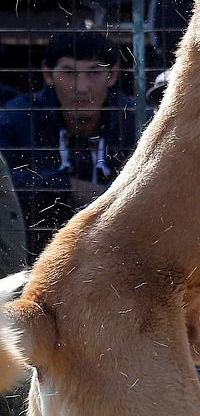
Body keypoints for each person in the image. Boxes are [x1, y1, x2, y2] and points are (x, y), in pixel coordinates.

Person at [0, 31, 140, 255]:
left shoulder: (136, 119)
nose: (81, 87)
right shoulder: (15, 118)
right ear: (48, 74)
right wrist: (70, 187)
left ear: (112, 74)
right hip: (36, 248)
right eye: (69, 72)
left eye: (94, 72)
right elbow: (5, 184)